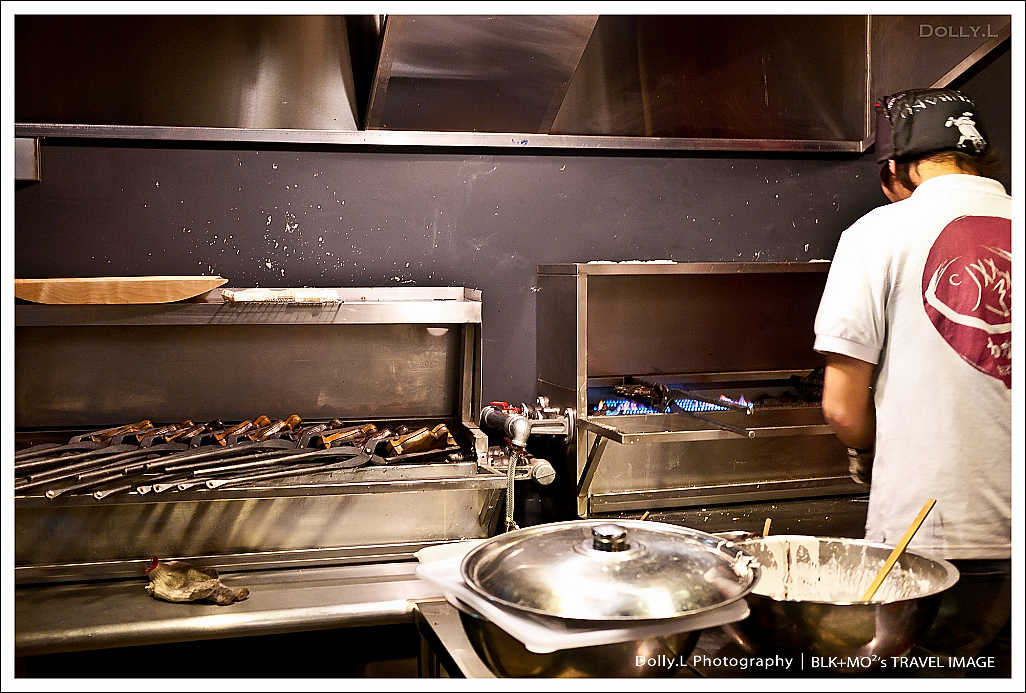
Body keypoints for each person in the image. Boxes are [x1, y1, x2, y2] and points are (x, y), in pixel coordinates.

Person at [813, 88, 1011, 670]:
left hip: (938, 534)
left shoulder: (877, 234)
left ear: (894, 169)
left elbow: (844, 407)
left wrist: (864, 451)